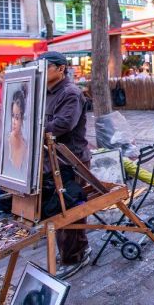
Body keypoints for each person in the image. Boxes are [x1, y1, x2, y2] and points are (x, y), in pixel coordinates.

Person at [37, 51, 91, 279]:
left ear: (60, 68)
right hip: (53, 160)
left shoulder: (70, 93)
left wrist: (33, 128)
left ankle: (76, 255)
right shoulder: (45, 92)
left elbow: (62, 124)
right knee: (57, 208)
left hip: (71, 160)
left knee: (71, 209)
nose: (41, 71)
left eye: (45, 67)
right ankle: (68, 252)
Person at [4, 87, 29, 180]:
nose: (13, 121)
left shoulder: (27, 144)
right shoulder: (9, 138)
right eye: (13, 116)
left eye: (17, 117)